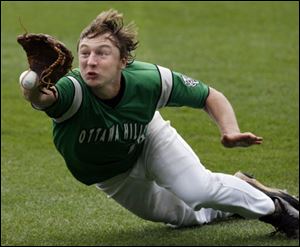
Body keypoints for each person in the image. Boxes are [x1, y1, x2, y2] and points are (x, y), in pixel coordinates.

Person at [20, 9, 299, 239]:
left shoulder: (149, 80)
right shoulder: (73, 92)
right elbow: (44, 97)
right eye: (84, 53)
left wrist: (230, 130)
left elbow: (209, 95)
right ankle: (243, 187)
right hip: (111, 175)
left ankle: (280, 211)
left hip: (149, 137)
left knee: (198, 189)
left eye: (102, 53)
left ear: (123, 61)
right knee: (186, 217)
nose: (90, 62)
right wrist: (32, 82)